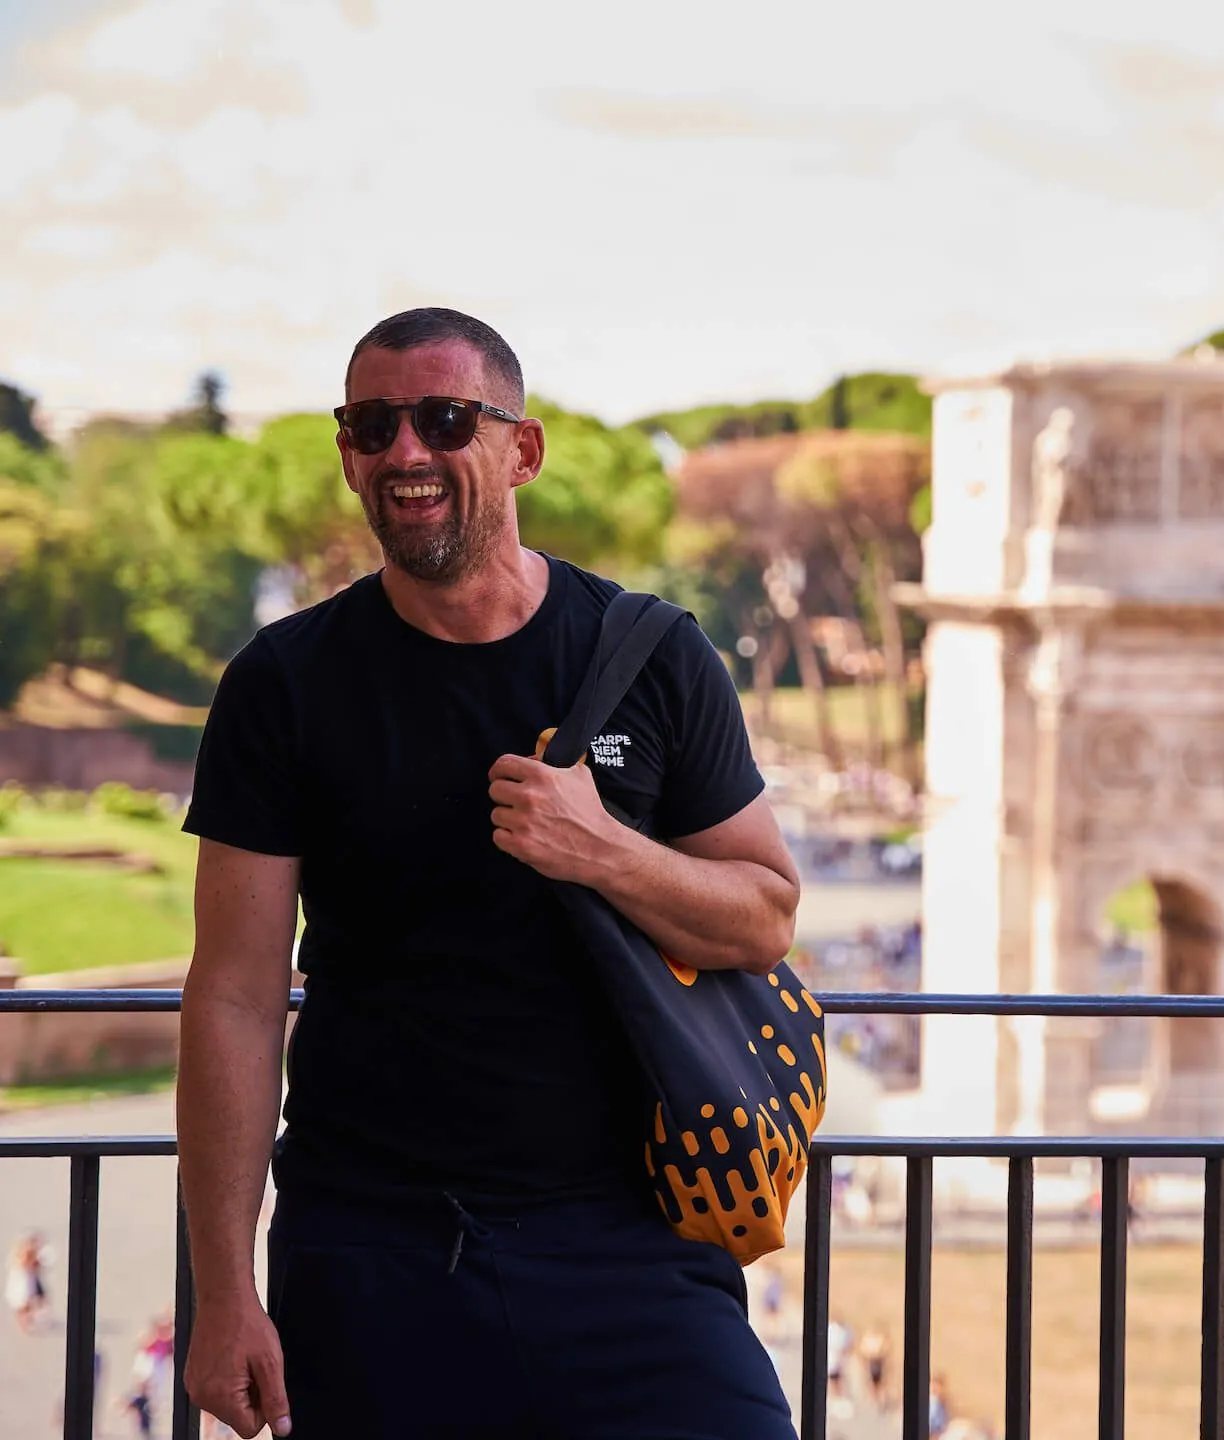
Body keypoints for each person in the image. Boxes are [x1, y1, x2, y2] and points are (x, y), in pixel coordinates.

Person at [176, 308, 803, 1440]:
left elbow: (763, 918)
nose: (406, 452)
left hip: (632, 1241)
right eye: (372, 426)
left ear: (521, 450)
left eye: (445, 419)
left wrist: (601, 848)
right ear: (348, 455)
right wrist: (223, 1291)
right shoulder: (283, 683)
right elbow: (232, 994)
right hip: (370, 1246)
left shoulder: (655, 654)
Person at [5, 1231, 49, 1333]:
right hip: (24, 1279)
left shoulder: (23, 1250)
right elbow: (28, 1265)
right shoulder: (28, 1251)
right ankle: (25, 1321)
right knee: (25, 1302)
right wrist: (39, 1263)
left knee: (25, 1302)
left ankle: (25, 1320)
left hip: (22, 1278)